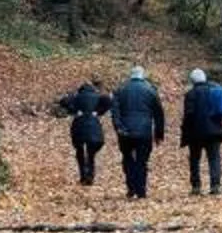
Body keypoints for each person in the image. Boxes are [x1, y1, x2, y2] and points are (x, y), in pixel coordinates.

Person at [109, 61, 165, 200]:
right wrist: (159, 134)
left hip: (125, 131)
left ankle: (131, 187)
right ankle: (141, 190)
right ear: (143, 76)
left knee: (127, 159)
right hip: (144, 131)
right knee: (142, 161)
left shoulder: (121, 90)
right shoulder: (150, 91)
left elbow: (115, 112)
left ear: (131, 76)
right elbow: (159, 114)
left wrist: (118, 127)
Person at [181, 65, 222, 194]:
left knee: (194, 159)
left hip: (195, 133)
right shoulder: (215, 91)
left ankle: (196, 186)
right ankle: (215, 185)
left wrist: (185, 131)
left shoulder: (190, 94)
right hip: (214, 131)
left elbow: (188, 114)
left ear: (192, 81)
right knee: (214, 158)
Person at [65, 76, 109, 187]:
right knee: (91, 153)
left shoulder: (77, 97)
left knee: (79, 151)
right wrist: (98, 112)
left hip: (79, 127)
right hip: (93, 127)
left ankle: (83, 175)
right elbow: (109, 101)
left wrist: (74, 110)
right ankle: (90, 174)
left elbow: (63, 101)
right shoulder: (98, 96)